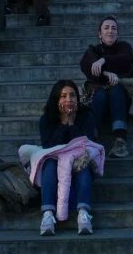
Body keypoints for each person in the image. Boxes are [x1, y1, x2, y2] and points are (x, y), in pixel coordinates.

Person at [35, 80, 99, 236]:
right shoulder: (47, 119)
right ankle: (48, 214)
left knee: (83, 166)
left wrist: (72, 123)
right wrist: (64, 123)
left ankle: (83, 213)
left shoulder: (86, 116)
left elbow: (87, 142)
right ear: (56, 99)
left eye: (72, 95)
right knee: (49, 165)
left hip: (79, 157)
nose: (68, 100)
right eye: (63, 96)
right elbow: (49, 145)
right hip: (55, 158)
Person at [80, 17, 133, 157]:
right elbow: (87, 67)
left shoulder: (124, 47)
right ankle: (92, 139)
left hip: (121, 97)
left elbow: (127, 60)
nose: (110, 31)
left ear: (117, 33)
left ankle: (120, 140)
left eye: (114, 28)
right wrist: (106, 74)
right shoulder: (92, 50)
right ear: (99, 33)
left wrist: (104, 60)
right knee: (100, 93)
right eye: (106, 28)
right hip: (99, 97)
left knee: (116, 89)